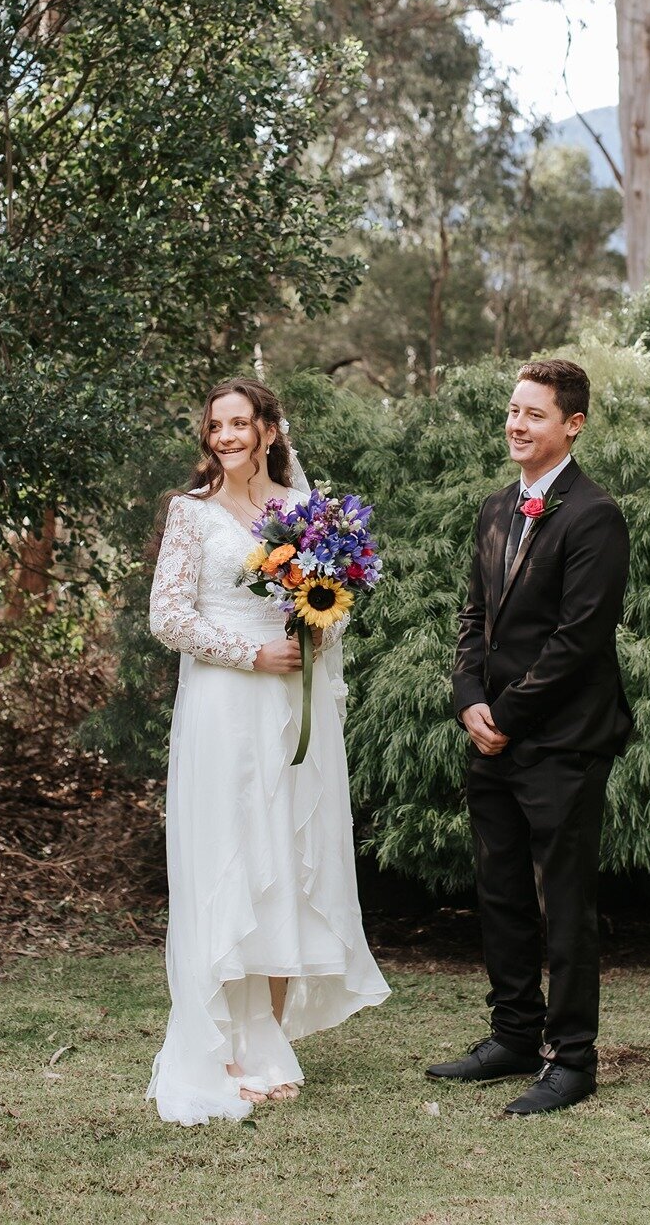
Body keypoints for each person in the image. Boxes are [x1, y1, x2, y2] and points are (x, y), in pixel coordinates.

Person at [146, 378, 389, 1124]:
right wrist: (249, 657)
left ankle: (268, 1043)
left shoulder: (302, 512)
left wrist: (318, 631)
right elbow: (166, 616)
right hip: (226, 702)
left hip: (290, 704)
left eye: (240, 423)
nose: (226, 436)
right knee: (230, 854)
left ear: (268, 431)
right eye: (215, 424)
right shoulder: (191, 515)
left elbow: (332, 605)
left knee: (284, 853)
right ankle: (218, 1044)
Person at [427, 358, 631, 1116]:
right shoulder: (493, 509)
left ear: (571, 425)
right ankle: (512, 1035)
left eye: (533, 414)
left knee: (563, 904)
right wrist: (467, 699)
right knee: (501, 894)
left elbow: (580, 639)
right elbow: (472, 617)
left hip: (563, 743)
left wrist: (505, 718)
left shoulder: (593, 514)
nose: (516, 424)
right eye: (512, 411)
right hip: (490, 737)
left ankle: (570, 1060)